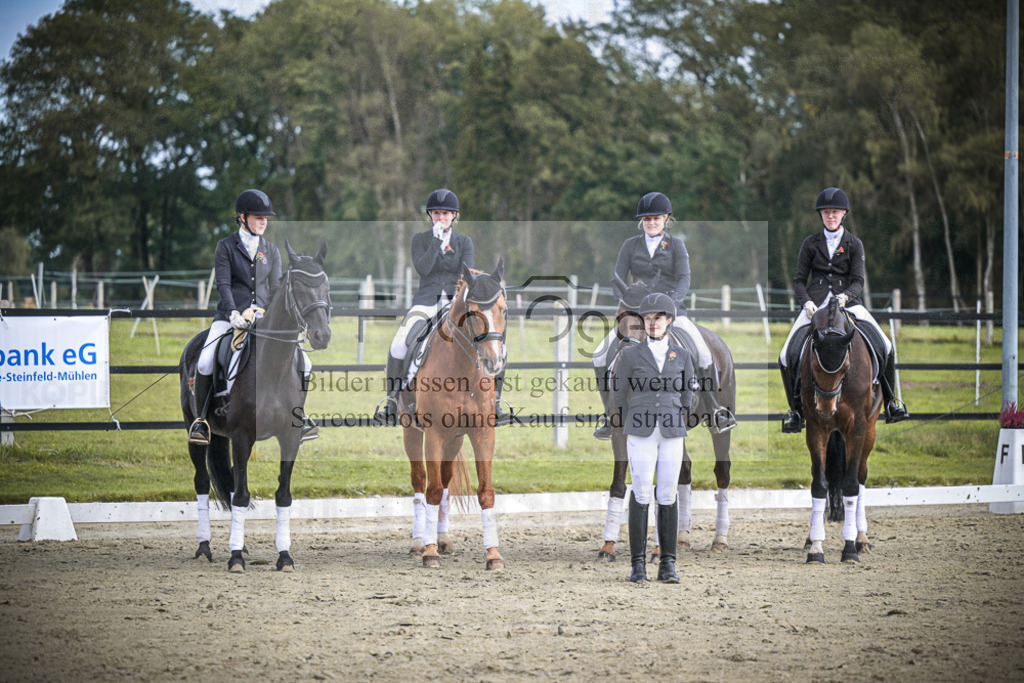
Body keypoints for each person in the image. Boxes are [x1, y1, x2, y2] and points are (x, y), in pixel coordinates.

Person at [593, 191, 736, 439]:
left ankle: (714, 411)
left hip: (672, 313)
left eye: (656, 218)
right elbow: (617, 279)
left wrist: (671, 305)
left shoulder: (676, 245)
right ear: (642, 221)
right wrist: (626, 303)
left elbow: (684, 278)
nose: (651, 222)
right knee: (599, 355)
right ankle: (611, 415)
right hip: (636, 315)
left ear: (666, 219)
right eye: (647, 218)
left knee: (703, 353)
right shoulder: (630, 245)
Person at [188, 189, 318, 445]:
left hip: (262, 319)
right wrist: (234, 312)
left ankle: (297, 418)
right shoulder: (225, 247)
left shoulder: (271, 250)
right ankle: (202, 420)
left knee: (306, 362)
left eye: (266, 218)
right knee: (204, 361)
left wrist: (265, 313)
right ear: (243, 217)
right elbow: (223, 284)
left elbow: (274, 289)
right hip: (230, 317)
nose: (263, 222)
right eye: (259, 217)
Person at [778, 187, 910, 433]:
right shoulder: (810, 243)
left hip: (848, 303)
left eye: (835, 212)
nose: (831, 216)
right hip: (815, 305)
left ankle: (892, 402)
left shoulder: (853, 244)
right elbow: (798, 280)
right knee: (786, 355)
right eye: (826, 212)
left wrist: (845, 297)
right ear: (821, 215)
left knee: (886, 345)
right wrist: (806, 301)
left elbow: (858, 280)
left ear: (844, 214)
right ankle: (795, 411)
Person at [374, 189, 509, 426]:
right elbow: (423, 269)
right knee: (398, 343)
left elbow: (467, 275)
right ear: (431, 215)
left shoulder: (464, 242)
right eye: (436, 213)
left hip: (455, 304)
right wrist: (436, 242)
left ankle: (496, 402)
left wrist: (459, 300)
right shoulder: (421, 240)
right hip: (425, 303)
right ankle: (391, 402)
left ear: (454, 216)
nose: (441, 217)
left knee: (496, 343)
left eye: (446, 214)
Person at [611, 293, 696, 583]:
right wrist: (631, 419)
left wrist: (675, 413)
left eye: (658, 319)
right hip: (641, 431)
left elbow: (688, 396)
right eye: (648, 319)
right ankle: (638, 565)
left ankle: (668, 564)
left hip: (672, 431)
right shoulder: (631, 355)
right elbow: (619, 395)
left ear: (669, 321)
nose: (652, 323)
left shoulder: (683, 356)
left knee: (668, 495)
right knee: (642, 493)